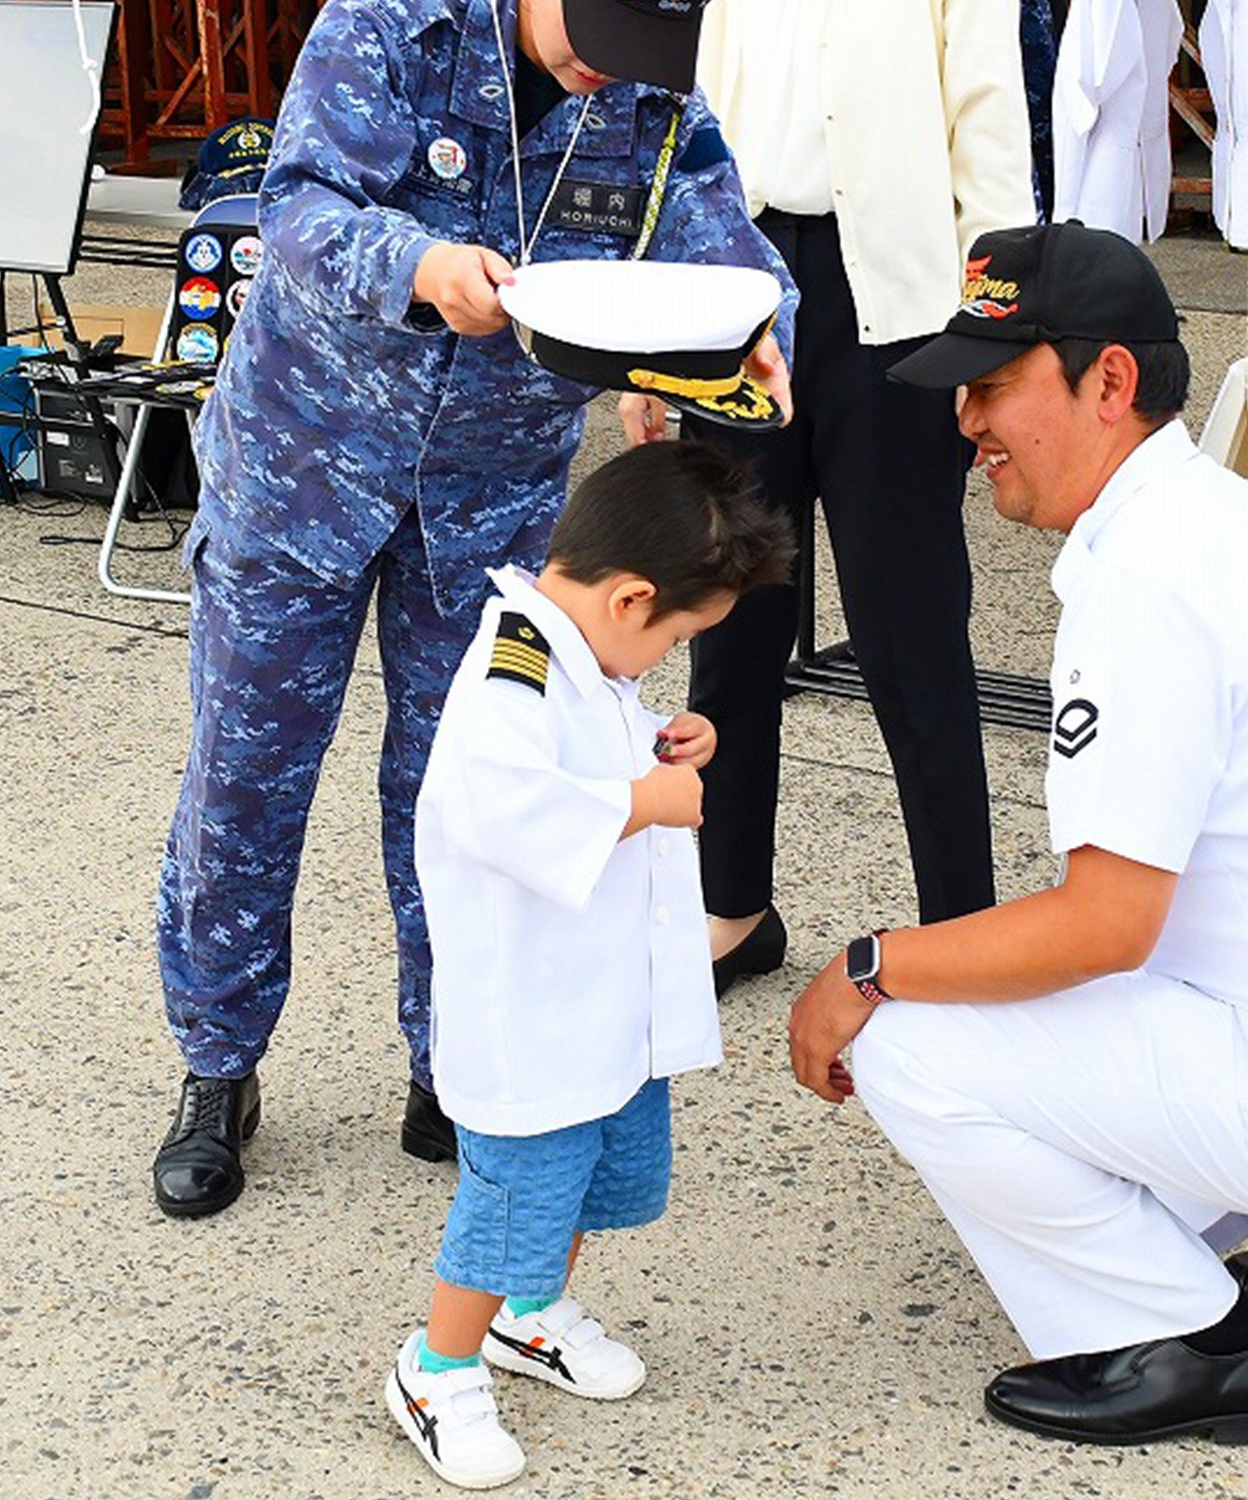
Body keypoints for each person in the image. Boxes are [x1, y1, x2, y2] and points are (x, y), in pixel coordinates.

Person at [786, 221, 1248, 1446]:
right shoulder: (1221, 515)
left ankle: (1196, 1345)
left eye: (994, 384)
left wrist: (865, 966)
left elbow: (1106, 928)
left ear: (1110, 382)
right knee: (1032, 995)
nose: (966, 421)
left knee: (913, 1043)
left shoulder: (1148, 581)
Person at [150, 0, 795, 1219]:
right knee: (245, 779)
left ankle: (451, 1065)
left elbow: (733, 259)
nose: (608, 70)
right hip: (303, 469)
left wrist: (759, 336)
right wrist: (418, 265)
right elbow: (293, 213)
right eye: (594, 31)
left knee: (464, 788)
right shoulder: (394, 29)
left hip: (492, 499)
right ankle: (217, 1063)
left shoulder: (656, 104)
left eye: (642, 53)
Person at [391, 441, 794, 1489]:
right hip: (535, 1015)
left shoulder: (587, 654)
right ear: (630, 599)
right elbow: (507, 808)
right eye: (676, 640)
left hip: (601, 1002)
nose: (660, 661)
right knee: (516, 1196)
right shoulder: (512, 673)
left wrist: (667, 738)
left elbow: (602, 733)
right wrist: (641, 803)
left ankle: (529, 1320)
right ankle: (437, 1367)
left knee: (591, 1177)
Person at [661, 0, 1032, 992]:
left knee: (912, 645)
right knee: (731, 625)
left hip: (903, 305)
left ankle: (963, 931)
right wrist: (663, 332)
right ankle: (732, 907)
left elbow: (989, 116)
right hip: (743, 294)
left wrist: (989, 334)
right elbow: (685, 112)